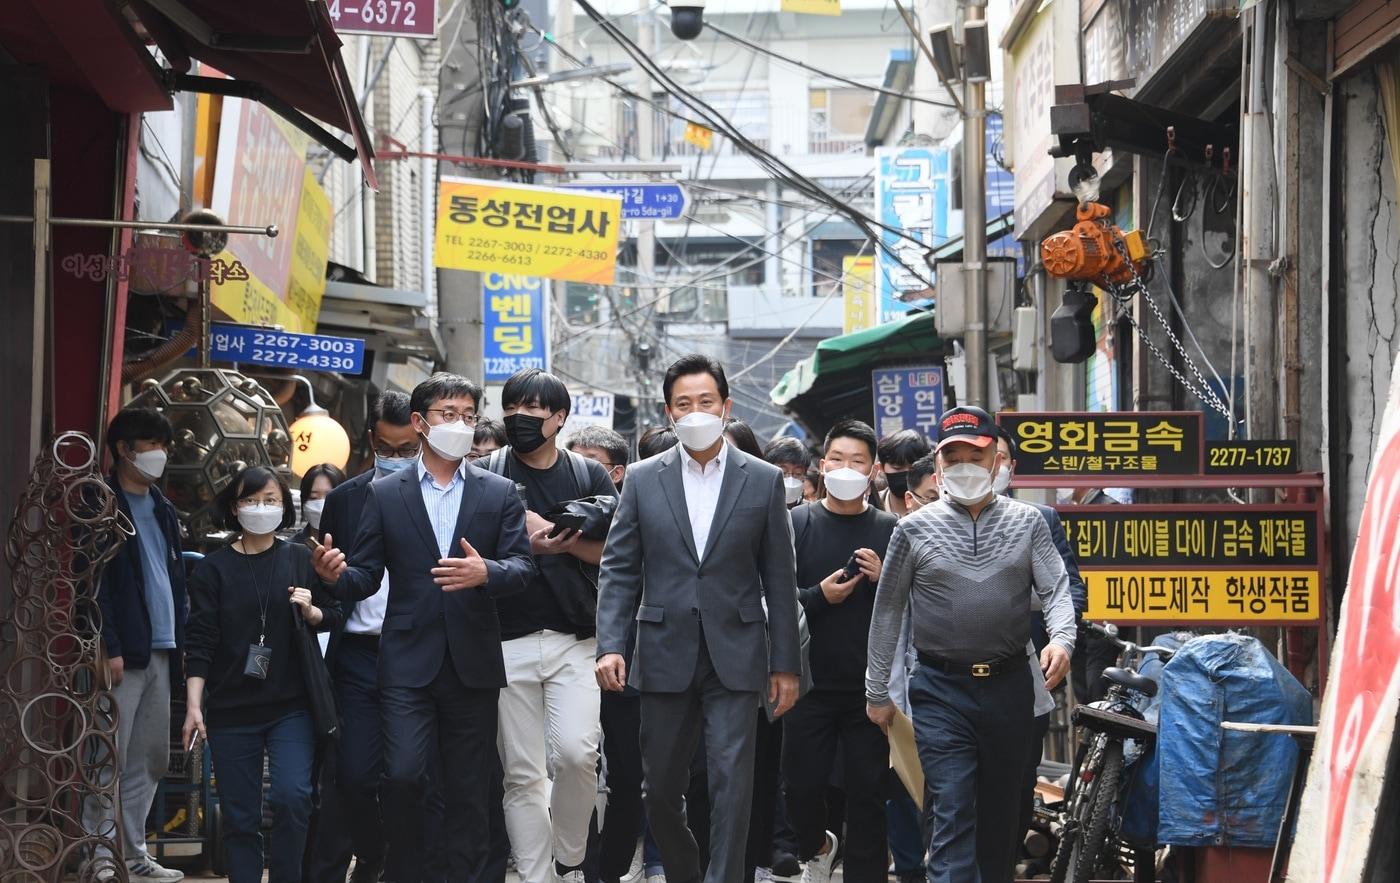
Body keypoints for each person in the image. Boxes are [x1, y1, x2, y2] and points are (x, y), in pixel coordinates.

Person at [312, 372, 536, 883]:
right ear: (419, 423)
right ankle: (409, 871)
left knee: (468, 788)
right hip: (406, 663)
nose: (459, 424)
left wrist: (488, 572)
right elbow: (366, 576)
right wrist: (335, 576)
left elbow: (524, 568)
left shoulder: (499, 491)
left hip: (472, 662)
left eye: (467, 415)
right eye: (447, 414)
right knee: (405, 777)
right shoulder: (387, 494)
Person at [596, 354, 801, 883]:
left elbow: (779, 579)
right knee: (659, 789)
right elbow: (619, 569)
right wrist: (611, 644)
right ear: (669, 414)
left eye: (705, 402)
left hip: (737, 653)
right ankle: (686, 871)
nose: (696, 412)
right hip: (663, 650)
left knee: (734, 780)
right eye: (683, 404)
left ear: (725, 407)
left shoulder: (763, 480)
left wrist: (785, 664)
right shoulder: (642, 479)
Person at [866, 406, 1075, 883]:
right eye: (952, 457)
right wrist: (878, 692)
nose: (964, 468)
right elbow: (888, 614)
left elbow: (1058, 590)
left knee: (1003, 822)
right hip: (941, 690)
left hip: (1009, 690)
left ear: (995, 464)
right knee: (951, 811)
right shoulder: (912, 530)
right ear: (937, 468)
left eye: (974, 457)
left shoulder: (1028, 522)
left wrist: (1062, 639)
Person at [303, 392, 443, 883]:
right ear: (371, 441)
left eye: (408, 449)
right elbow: (337, 575)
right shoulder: (346, 498)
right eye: (388, 447)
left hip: (417, 651)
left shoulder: (440, 493)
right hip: (358, 652)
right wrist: (326, 579)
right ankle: (373, 852)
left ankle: (405, 868)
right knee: (353, 775)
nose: (398, 458)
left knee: (411, 777)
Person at [482, 368, 613, 883]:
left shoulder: (587, 475)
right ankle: (538, 877)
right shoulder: (486, 469)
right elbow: (472, 542)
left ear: (559, 418)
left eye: (532, 411)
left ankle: (571, 859)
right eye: (511, 409)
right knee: (522, 775)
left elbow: (618, 551)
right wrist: (524, 541)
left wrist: (556, 541)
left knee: (579, 755)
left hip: (576, 638)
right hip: (505, 638)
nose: (519, 419)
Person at [183, 466, 343, 883]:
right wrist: (193, 706)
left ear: (284, 506)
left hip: (292, 706)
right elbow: (199, 642)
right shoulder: (212, 571)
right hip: (232, 709)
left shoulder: (299, 559)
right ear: (234, 508)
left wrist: (312, 611)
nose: (261, 508)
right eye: (251, 500)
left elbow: (336, 613)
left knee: (293, 798)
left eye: (271, 500)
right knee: (241, 816)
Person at [782, 420, 898, 883]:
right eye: (838, 459)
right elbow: (771, 596)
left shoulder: (891, 528)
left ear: (873, 471)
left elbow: (913, 600)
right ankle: (818, 846)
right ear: (822, 464)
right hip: (806, 683)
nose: (846, 468)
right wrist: (817, 596)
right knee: (801, 789)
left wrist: (885, 574)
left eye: (858, 461)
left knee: (869, 791)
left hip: (869, 687)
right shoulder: (796, 523)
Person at [87, 408, 187, 882]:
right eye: (151, 444)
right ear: (124, 449)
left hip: (163, 649)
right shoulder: (101, 502)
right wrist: (109, 644)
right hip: (124, 650)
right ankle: (99, 854)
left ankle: (132, 855)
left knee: (150, 756)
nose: (160, 454)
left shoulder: (162, 506)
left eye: (162, 444)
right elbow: (93, 580)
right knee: (108, 754)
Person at [989, 427, 1087, 847]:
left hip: (1028, 673)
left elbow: (1070, 588)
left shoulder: (1039, 519)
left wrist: (1061, 640)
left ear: (1012, 467)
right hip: (951, 678)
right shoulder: (931, 523)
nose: (988, 468)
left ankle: (1004, 862)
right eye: (976, 459)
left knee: (1018, 777)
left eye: (998, 458)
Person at [876, 430, 932, 519]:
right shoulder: (870, 506)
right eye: (897, 468)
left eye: (913, 467)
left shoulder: (936, 507)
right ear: (881, 468)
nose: (906, 474)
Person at [295, 464, 346, 546]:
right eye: (313, 497)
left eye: (329, 497)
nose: (321, 506)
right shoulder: (291, 548)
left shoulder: (355, 546)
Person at [567, 424, 629, 490]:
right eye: (575, 461)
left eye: (591, 463)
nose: (580, 468)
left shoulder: (630, 500)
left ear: (617, 473)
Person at [763, 436, 811, 509]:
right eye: (783, 472)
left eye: (797, 473)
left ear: (805, 475)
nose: (790, 479)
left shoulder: (809, 513)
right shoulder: (756, 507)